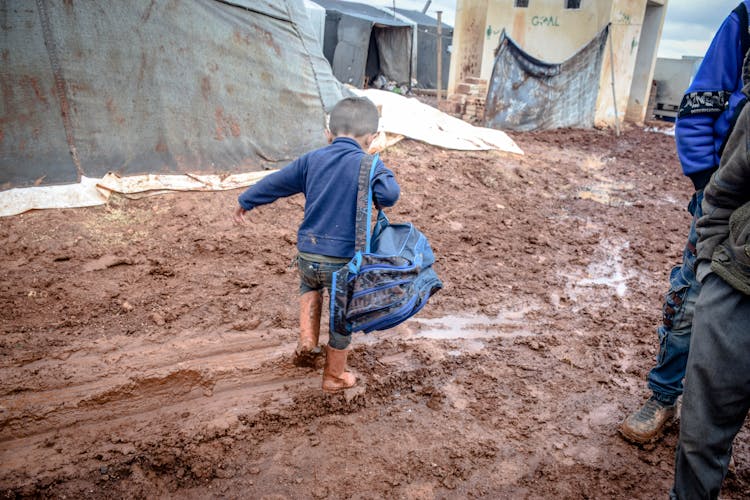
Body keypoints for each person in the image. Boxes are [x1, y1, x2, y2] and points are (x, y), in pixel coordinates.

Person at [619, 0, 750, 445]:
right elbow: (698, 108)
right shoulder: (747, 18)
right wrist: (708, 185)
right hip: (728, 197)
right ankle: (662, 395)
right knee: (692, 296)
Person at [232, 96, 400, 393]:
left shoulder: (311, 160)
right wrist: (377, 168)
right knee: (342, 318)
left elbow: (276, 183)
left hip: (308, 254)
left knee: (310, 286)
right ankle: (334, 377)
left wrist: (247, 200)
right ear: (372, 139)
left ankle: (308, 341)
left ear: (328, 134)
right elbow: (389, 196)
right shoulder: (368, 163)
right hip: (342, 262)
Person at [670, 60, 750, 500]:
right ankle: (663, 392)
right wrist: (709, 268)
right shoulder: (744, 18)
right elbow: (722, 193)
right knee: (701, 438)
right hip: (735, 284)